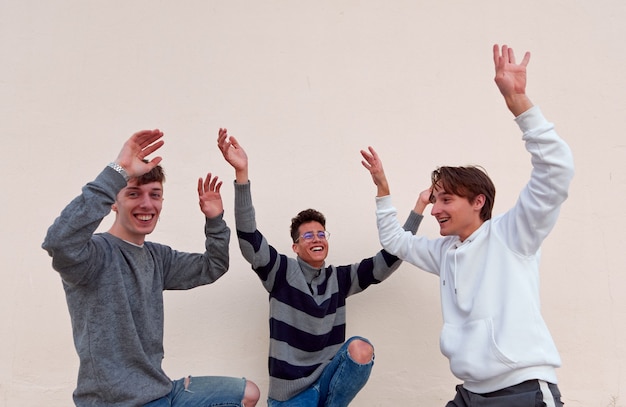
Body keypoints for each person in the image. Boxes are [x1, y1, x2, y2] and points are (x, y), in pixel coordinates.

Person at [360, 44, 574, 406]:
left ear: (478, 202)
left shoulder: (511, 234)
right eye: (434, 200)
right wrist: (383, 189)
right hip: (471, 393)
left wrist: (518, 102)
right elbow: (396, 241)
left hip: (521, 391)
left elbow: (556, 171)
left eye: (446, 200)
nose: (436, 210)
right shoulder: (445, 252)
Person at [42, 129, 260, 407]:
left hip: (160, 389)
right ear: (113, 202)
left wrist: (215, 219)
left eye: (154, 195)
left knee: (248, 393)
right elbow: (59, 242)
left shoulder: (158, 257)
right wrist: (117, 171)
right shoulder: (92, 255)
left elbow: (213, 265)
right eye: (134, 194)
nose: (147, 204)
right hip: (116, 401)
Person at [217, 129, 424, 406]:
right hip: (290, 397)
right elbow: (248, 238)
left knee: (360, 349)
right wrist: (242, 175)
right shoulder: (280, 272)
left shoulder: (340, 279)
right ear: (296, 246)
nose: (316, 239)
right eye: (308, 235)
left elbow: (387, 261)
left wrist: (417, 207)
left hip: (326, 388)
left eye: (321, 234)